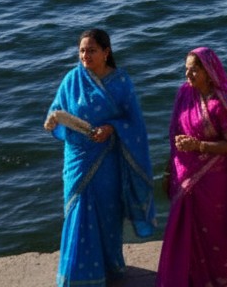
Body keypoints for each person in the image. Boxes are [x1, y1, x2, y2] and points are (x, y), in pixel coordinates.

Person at [44, 28, 157, 287]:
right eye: (82, 50)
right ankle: (77, 277)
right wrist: (53, 122)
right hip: (77, 160)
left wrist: (112, 128)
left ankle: (110, 267)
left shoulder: (121, 83)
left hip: (107, 162)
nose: (85, 55)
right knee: (78, 213)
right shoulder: (72, 80)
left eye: (92, 50)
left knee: (107, 215)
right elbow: (56, 111)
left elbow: (135, 124)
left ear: (106, 52)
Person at [158, 47, 227, 286]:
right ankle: (189, 275)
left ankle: (221, 276)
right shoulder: (184, 94)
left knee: (213, 228)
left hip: (213, 179)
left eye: (194, 70)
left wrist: (198, 145)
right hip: (185, 172)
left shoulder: (220, 102)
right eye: (186, 69)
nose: (188, 75)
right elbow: (175, 135)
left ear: (208, 71)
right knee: (185, 225)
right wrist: (168, 168)